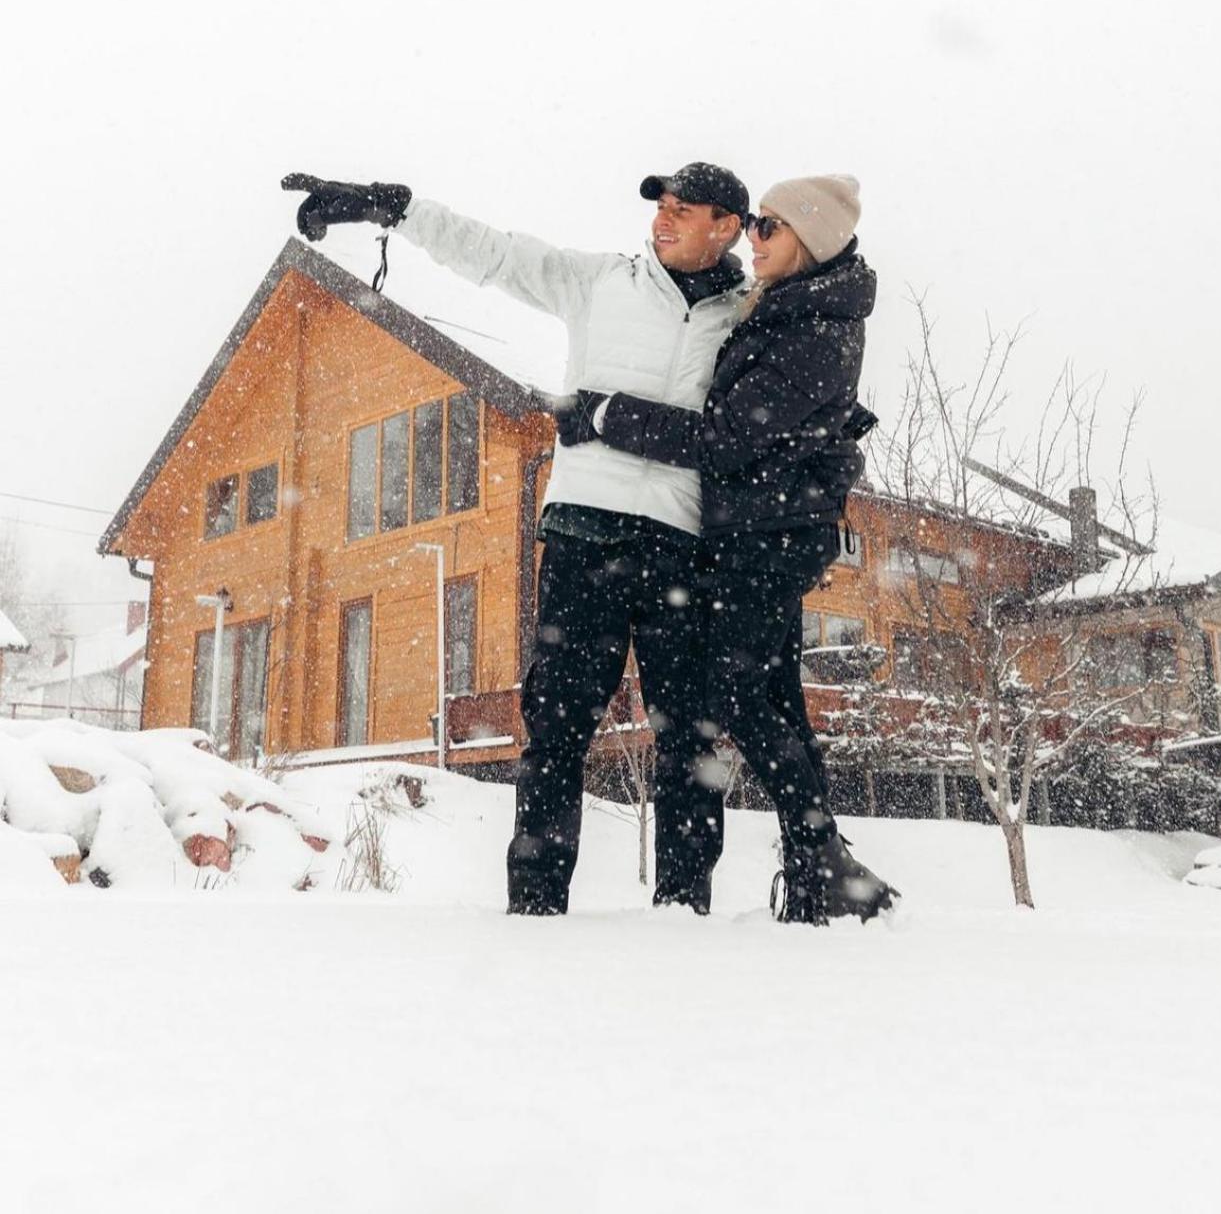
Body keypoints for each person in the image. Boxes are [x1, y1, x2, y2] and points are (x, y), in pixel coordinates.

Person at [282, 163, 751, 915]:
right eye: (660, 207)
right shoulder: (601, 282)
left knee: (690, 739)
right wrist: (394, 208)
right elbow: (495, 254)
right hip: (584, 534)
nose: (662, 219)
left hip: (680, 543)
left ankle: (681, 910)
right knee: (558, 728)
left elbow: (758, 416)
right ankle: (534, 907)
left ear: (725, 225)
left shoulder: (744, 316)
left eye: (683, 210)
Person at [555, 174, 897, 924]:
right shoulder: (793, 309)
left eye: (768, 227)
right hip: (756, 532)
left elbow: (724, 436)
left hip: (763, 542)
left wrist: (609, 413)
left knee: (740, 694)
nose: (753, 238)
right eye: (753, 225)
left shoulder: (814, 324)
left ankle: (824, 858)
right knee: (776, 699)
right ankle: (818, 872)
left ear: (807, 239)